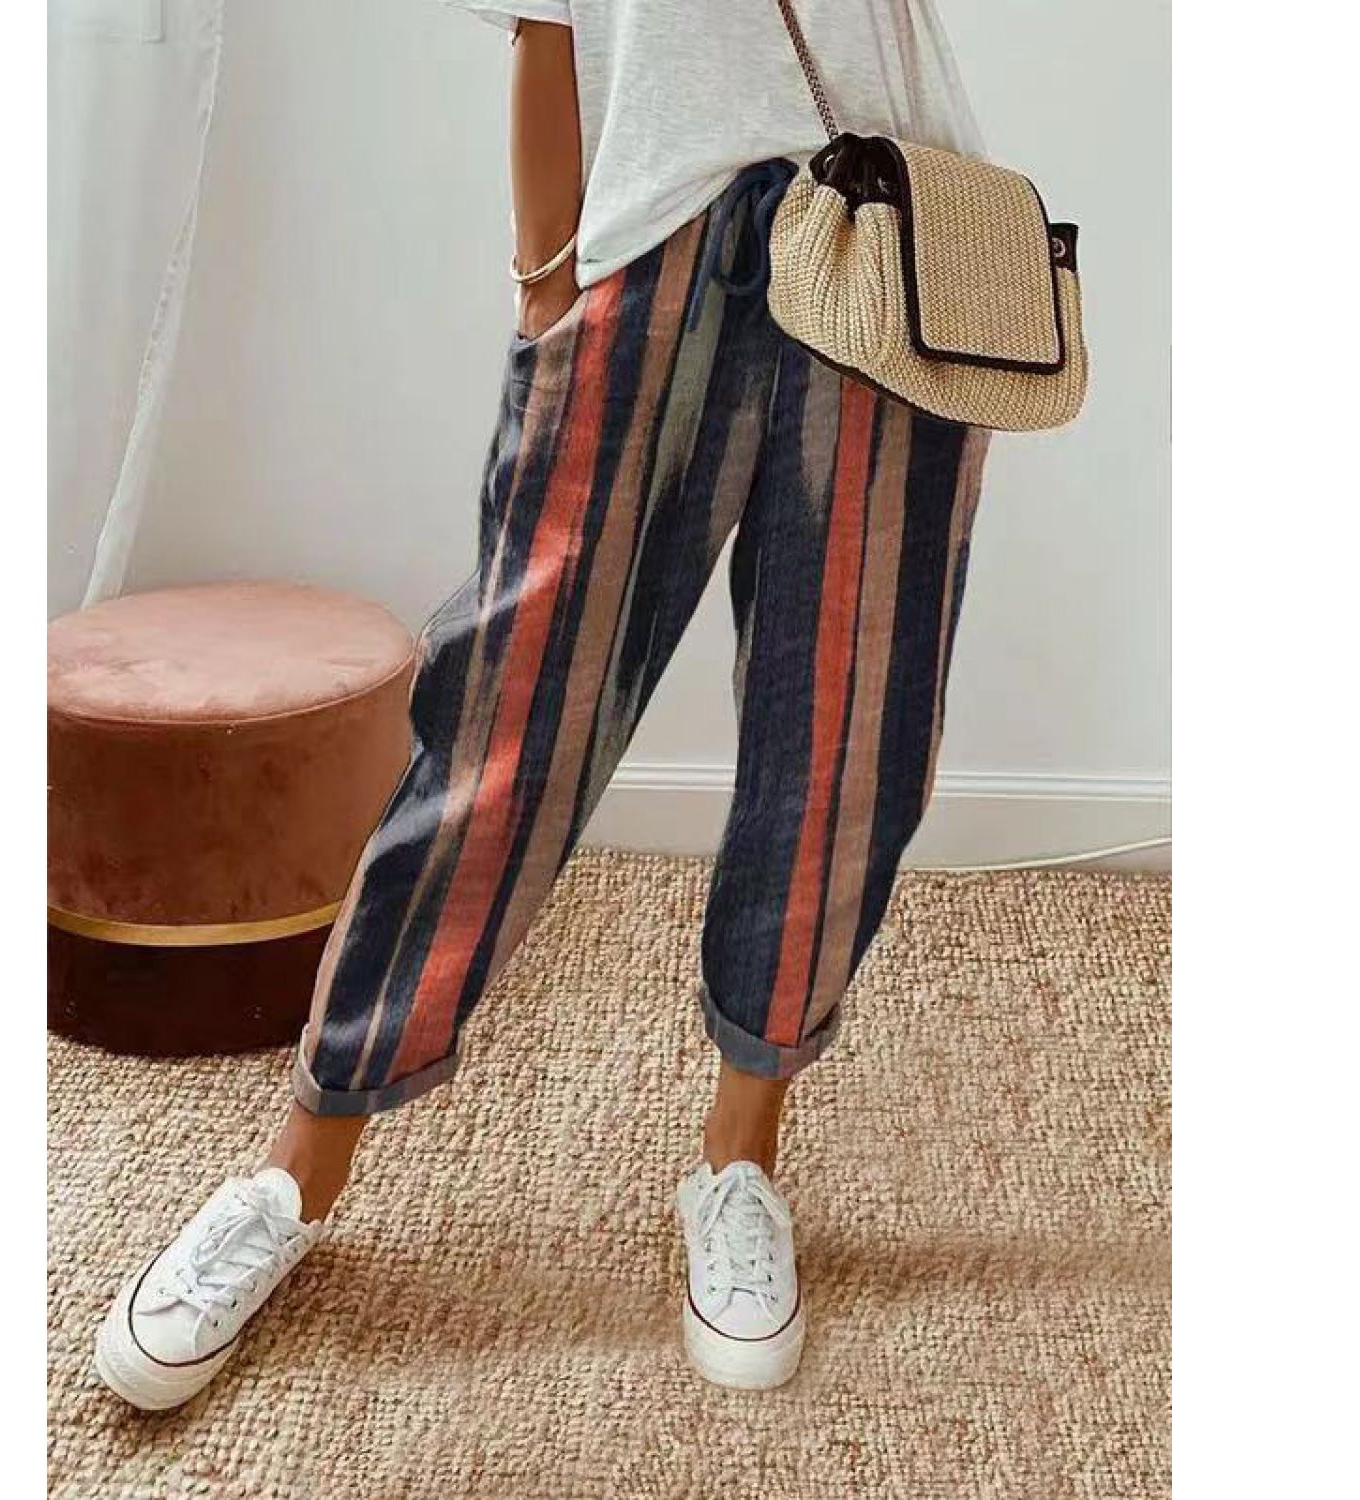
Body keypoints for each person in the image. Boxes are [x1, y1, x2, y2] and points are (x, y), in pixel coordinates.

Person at [94, 0, 990, 1410]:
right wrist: (546, 282)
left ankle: (740, 1163)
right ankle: (293, 1174)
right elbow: (543, 21)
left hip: (887, 235)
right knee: (506, 728)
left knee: (845, 740)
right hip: (649, 243)